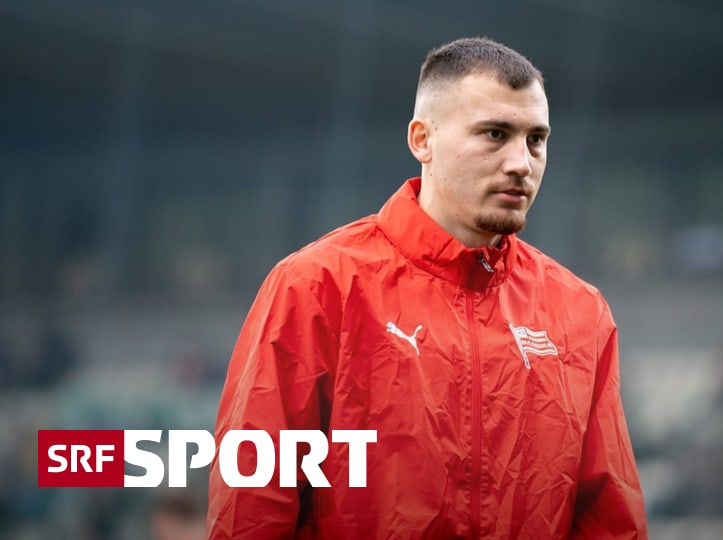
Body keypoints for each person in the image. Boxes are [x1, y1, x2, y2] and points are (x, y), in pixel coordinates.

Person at [207, 37, 647, 539]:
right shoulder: (317, 286)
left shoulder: (579, 312)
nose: (521, 163)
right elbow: (253, 502)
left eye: (536, 140)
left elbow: (609, 518)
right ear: (422, 140)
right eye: (495, 134)